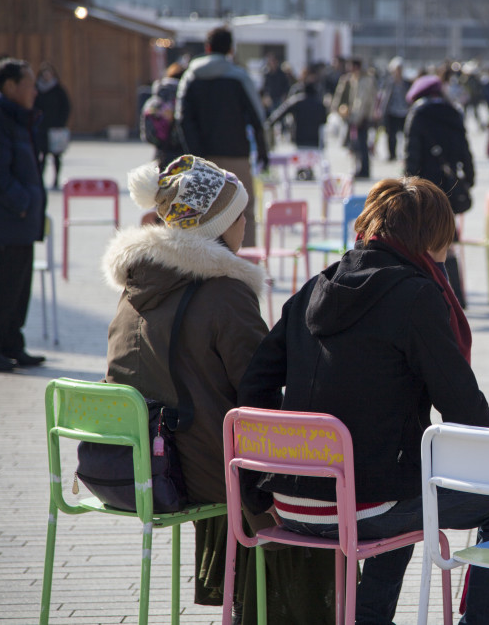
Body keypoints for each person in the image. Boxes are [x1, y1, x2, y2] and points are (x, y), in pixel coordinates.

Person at [237, 177, 489, 625]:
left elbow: (254, 384)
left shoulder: (314, 287)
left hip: (288, 501)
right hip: (361, 507)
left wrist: (261, 478)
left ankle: (370, 618)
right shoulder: (416, 296)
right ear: (430, 239)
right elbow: (462, 408)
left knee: (404, 480)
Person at [107, 157, 335, 622]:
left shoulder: (136, 285)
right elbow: (261, 388)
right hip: (199, 470)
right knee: (315, 489)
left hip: (138, 465)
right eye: (238, 214)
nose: (246, 222)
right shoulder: (225, 292)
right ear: (216, 225)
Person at [176, 27, 268, 247]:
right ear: (230, 49)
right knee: (243, 210)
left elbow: (182, 119)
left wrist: (195, 154)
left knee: (203, 212)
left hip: (202, 157)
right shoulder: (238, 76)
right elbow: (258, 117)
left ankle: (206, 267)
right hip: (236, 154)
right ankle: (247, 265)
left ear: (207, 48)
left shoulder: (191, 77)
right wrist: (264, 151)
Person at [0, 58, 47, 373]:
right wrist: (23, 202)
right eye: (29, 84)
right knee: (0, 290)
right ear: (10, 86)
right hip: (3, 225)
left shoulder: (19, 120)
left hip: (20, 224)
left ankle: (12, 344)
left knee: (18, 290)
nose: (35, 91)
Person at [403, 74, 474, 307]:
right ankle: (457, 297)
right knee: (447, 244)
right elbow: (465, 149)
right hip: (450, 189)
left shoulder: (417, 114)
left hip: (424, 190)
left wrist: (407, 187)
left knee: (420, 242)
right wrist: (469, 178)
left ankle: (430, 295)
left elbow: (411, 156)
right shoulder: (453, 112)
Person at [330, 58, 376, 178]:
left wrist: (357, 118)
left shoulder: (365, 80)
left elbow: (362, 101)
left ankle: (364, 170)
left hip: (362, 117)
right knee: (355, 145)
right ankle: (359, 168)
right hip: (354, 116)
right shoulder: (351, 79)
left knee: (362, 145)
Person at [140, 62, 187, 170]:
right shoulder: (184, 99)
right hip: (183, 154)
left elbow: (147, 132)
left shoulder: (155, 101)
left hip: (161, 154)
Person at [33, 62, 70, 190]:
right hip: (41, 127)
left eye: (49, 73)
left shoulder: (58, 90)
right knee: (41, 156)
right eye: (44, 73)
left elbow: (65, 107)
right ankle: (40, 180)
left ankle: (56, 180)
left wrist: (61, 122)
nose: (47, 76)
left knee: (56, 156)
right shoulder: (36, 89)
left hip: (55, 127)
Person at [265, 75, 328, 149]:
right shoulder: (320, 104)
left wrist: (269, 123)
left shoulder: (297, 101)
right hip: (314, 140)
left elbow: (280, 113)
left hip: (300, 139)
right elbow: (324, 121)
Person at [379, 57, 410, 161]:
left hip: (404, 112)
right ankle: (392, 154)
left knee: (406, 135)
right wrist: (381, 111)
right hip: (392, 111)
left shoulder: (406, 83)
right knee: (391, 135)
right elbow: (384, 97)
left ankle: (406, 154)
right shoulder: (389, 83)